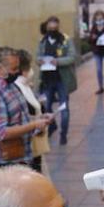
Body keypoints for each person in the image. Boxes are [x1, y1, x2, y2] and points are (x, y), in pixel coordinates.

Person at [0, 47, 52, 171]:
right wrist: (34, 125)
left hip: (22, 155)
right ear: (0, 68)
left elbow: (20, 118)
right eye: (14, 69)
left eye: (18, 67)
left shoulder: (11, 85)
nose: (18, 72)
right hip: (6, 160)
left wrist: (40, 119)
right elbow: (2, 132)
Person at [36, 16, 77, 147]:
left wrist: (57, 62)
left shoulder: (65, 40)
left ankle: (63, 134)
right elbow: (37, 57)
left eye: (55, 27)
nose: (52, 30)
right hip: (47, 80)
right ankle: (52, 126)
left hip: (62, 80)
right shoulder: (42, 41)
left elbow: (72, 57)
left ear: (58, 27)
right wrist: (40, 60)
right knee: (46, 107)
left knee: (64, 108)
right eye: (50, 27)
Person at [13, 49, 51, 173]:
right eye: (30, 67)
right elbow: (23, 114)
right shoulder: (17, 87)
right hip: (27, 144)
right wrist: (37, 120)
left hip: (34, 141)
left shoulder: (25, 85)